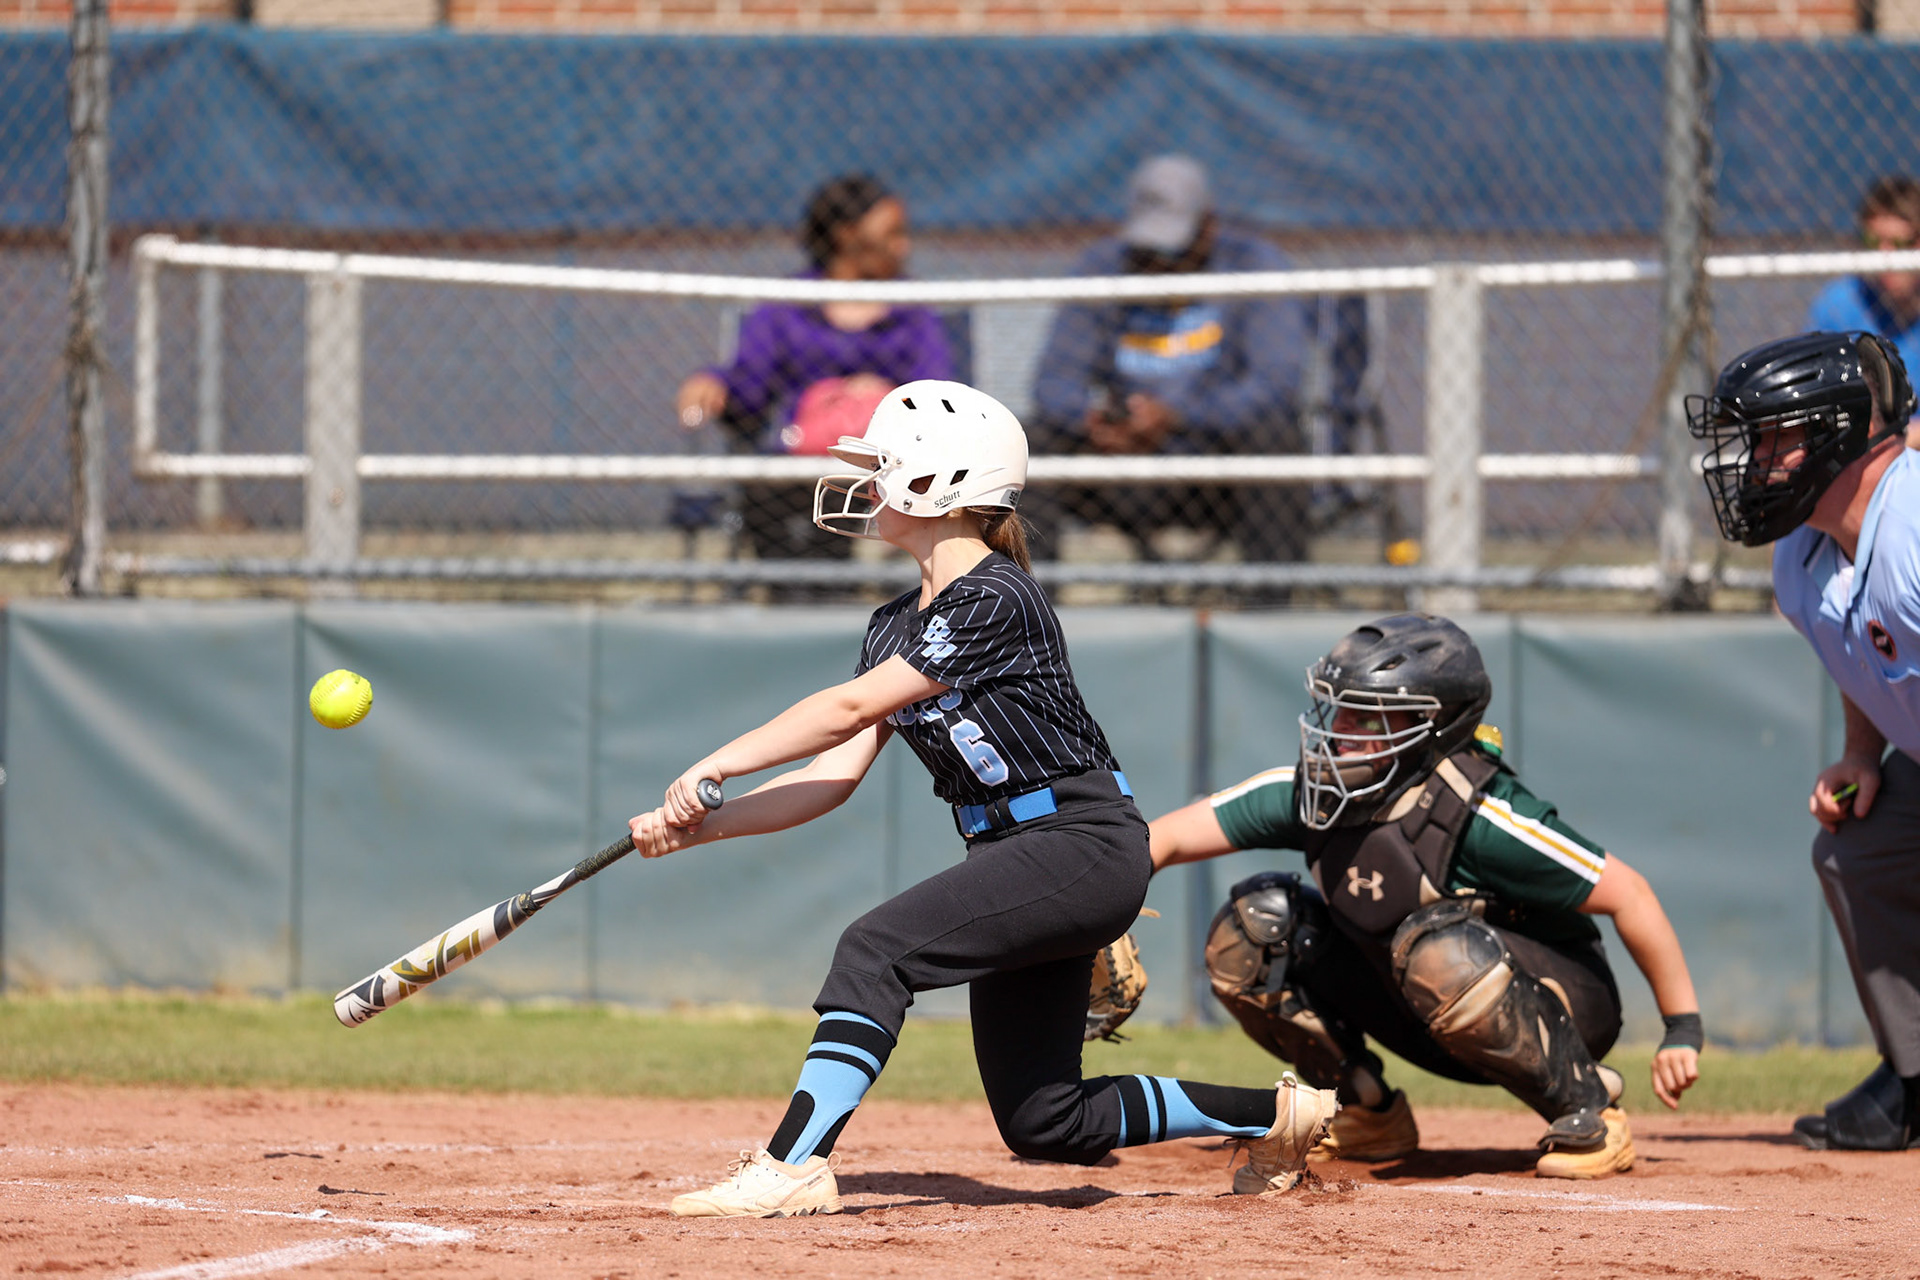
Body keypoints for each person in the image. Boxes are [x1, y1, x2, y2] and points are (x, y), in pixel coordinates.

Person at [629, 380, 1339, 1219]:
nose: (865, 485)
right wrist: (706, 824)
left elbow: (845, 710)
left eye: (885, 468)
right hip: (1017, 857)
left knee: (875, 950)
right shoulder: (893, 622)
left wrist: (714, 762)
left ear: (939, 486)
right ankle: (1281, 1115)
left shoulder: (998, 595)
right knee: (1044, 1120)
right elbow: (837, 771)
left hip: (1081, 843)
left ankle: (793, 1164)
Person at [1141, 613, 1704, 1179]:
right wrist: (1099, 915)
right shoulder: (1312, 794)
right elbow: (1165, 839)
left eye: (1367, 716)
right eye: (1339, 709)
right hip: (1420, 1003)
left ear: (1433, 728)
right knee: (1252, 929)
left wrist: (1682, 1028)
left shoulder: (1481, 814)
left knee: (1437, 946)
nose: (1339, 730)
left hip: (1562, 1007)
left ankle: (1590, 1108)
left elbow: (1631, 894)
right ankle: (1363, 1110)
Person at [1689, 330, 1920, 1151]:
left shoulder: (1913, 531)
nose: (1753, 462)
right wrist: (1863, 754)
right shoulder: (1802, 558)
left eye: (1772, 439)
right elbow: (1859, 654)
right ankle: (1915, 1079)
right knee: (1858, 852)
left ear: (1837, 434)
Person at [1025, 155, 1311, 586]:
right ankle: (1029, 618)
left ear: (1208, 227)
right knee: (1028, 443)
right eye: (1147, 249)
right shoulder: (1103, 266)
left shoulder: (1253, 263)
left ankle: (1273, 606)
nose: (1158, 260)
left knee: (1277, 436)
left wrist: (1176, 416)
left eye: (1172, 247)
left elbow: (1276, 383)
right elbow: (1054, 382)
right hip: (1120, 464)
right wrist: (1094, 420)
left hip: (1212, 467)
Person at [674, 174, 955, 579]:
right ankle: (797, 594)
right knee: (770, 487)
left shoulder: (912, 308)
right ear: (846, 235)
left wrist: (878, 397)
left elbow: (938, 391)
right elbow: (749, 387)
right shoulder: (788, 305)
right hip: (800, 463)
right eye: (891, 234)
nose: (903, 246)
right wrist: (713, 382)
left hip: (892, 467)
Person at [1807, 177, 1920, 434]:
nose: (1884, 257)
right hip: (1861, 459)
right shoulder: (1838, 305)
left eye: (1900, 244)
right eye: (1873, 242)